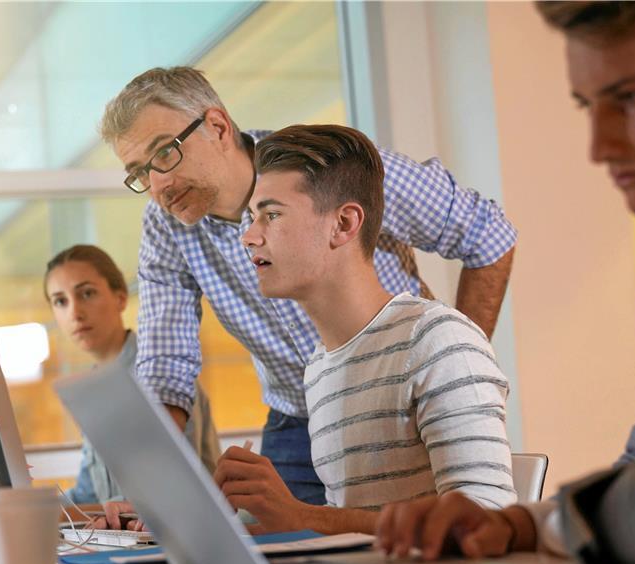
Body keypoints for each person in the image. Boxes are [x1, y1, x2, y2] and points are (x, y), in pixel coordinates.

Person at [376, 1, 635, 564]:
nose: (599, 148)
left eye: (633, 97)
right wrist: (516, 524)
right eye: (589, 106)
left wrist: (542, 525)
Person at [100, 67, 518, 505]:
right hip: (298, 412)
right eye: (140, 172)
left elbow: (487, 235)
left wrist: (452, 364)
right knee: (286, 559)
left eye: (165, 153)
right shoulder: (167, 227)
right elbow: (166, 365)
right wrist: (148, 488)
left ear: (217, 127)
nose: (158, 184)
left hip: (396, 401)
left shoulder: (329, 171)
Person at [213, 124, 516, 536]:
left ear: (343, 224)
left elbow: (484, 526)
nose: (248, 237)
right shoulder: (321, 369)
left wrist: (303, 516)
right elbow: (345, 532)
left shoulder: (438, 341)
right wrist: (196, 525)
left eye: (272, 214)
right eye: (252, 217)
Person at [44, 244, 221, 529]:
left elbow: (179, 490)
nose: (75, 312)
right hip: (127, 540)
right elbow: (90, 496)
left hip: (187, 535)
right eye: (60, 301)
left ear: (121, 298)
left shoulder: (164, 371)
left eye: (87, 293)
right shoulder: (92, 389)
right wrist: (3, 513)